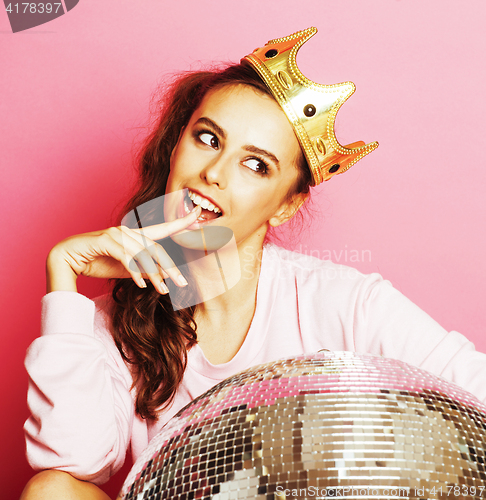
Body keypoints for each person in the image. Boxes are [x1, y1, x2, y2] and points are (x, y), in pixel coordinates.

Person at [20, 27, 486, 500]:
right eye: (207, 139)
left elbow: (476, 394)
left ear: (285, 205)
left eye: (256, 165)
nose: (214, 173)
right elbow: (70, 463)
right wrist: (63, 273)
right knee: (51, 489)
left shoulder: (344, 303)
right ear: (177, 144)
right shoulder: (116, 324)